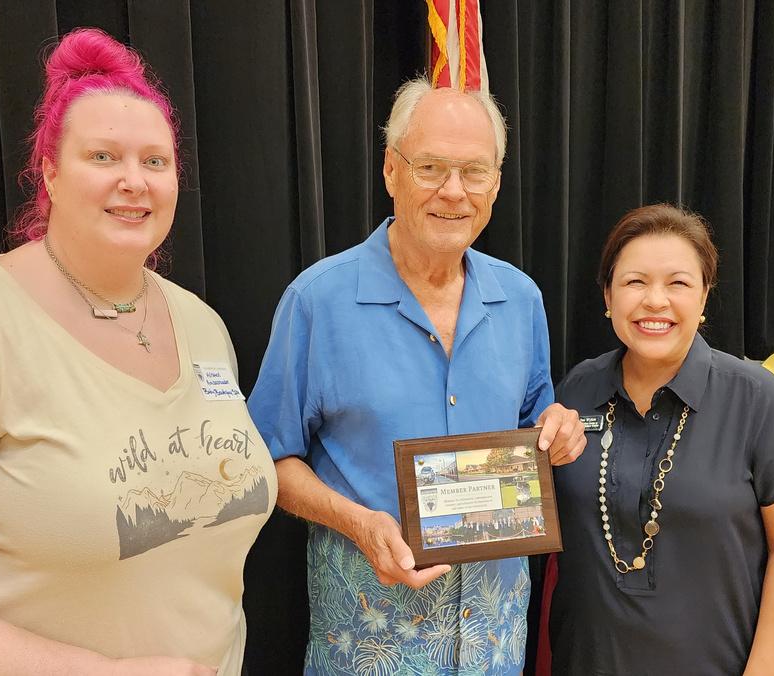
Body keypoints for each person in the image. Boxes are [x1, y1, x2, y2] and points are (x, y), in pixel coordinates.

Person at [0, 28, 273, 676]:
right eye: (103, 156)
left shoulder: (202, 326)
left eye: (155, 161)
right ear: (50, 173)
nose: (134, 181)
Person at [248, 77, 585, 675]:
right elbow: (267, 460)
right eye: (430, 167)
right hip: (369, 648)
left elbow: (533, 425)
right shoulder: (317, 301)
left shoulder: (521, 299)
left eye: (474, 171)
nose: (453, 191)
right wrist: (357, 523)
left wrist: (558, 430)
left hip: (494, 647)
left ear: (496, 184)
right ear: (391, 170)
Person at [547, 204, 774, 675]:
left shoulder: (756, 400)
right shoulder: (576, 391)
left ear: (704, 296)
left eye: (678, 283)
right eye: (635, 282)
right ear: (608, 295)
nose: (655, 301)